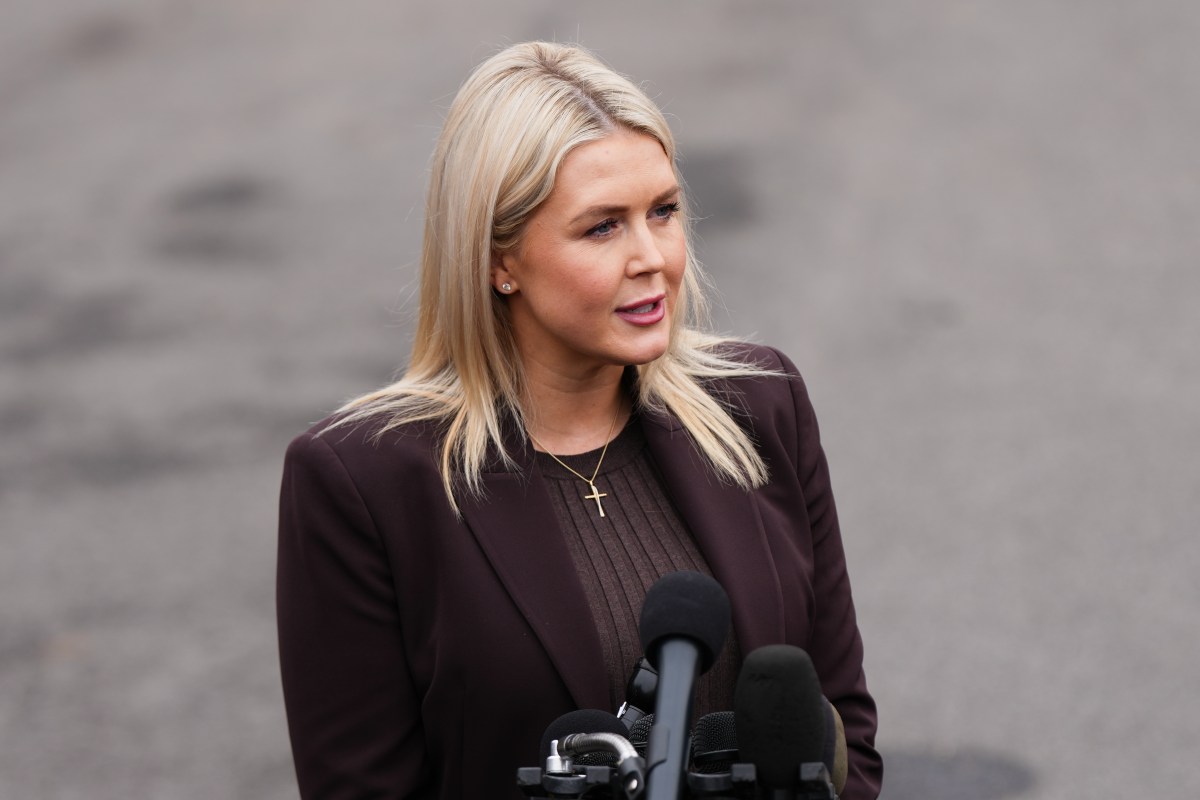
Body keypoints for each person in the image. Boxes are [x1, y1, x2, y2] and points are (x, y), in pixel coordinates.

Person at [277, 41, 882, 799]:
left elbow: (845, 738)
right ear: (499, 259)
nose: (652, 257)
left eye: (663, 212)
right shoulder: (362, 484)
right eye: (602, 227)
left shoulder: (761, 404)